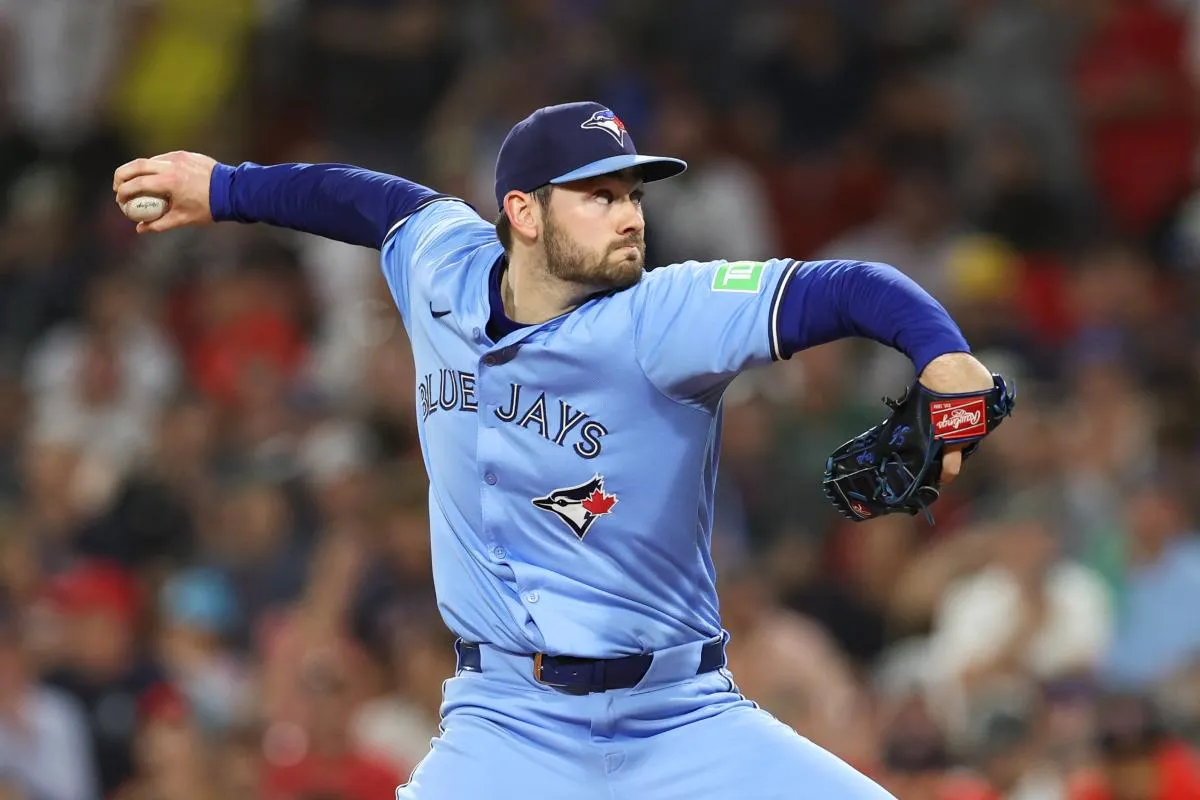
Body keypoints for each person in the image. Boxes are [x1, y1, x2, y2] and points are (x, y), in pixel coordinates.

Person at [113, 101, 997, 798]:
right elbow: (362, 200)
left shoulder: (665, 317)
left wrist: (941, 351)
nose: (629, 218)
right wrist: (226, 186)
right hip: (505, 722)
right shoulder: (444, 267)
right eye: (601, 195)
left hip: (680, 718)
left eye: (635, 196)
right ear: (523, 213)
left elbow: (844, 287)